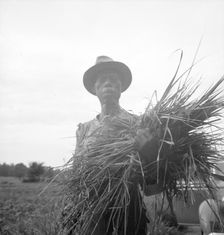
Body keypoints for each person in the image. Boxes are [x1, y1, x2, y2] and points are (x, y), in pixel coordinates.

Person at [66, 56, 163, 235]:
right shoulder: (84, 130)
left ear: (120, 89)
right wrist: (73, 212)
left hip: (128, 210)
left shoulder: (138, 125)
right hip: (93, 214)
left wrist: (149, 153)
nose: (109, 83)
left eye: (114, 80)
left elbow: (152, 187)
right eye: (103, 80)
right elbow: (76, 177)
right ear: (95, 89)